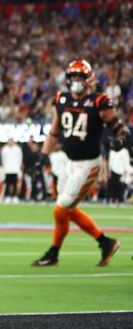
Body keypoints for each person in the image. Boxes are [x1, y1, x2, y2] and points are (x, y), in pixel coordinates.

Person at [32, 60, 124, 267]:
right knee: (64, 209)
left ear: (89, 79)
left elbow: (120, 129)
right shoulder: (61, 99)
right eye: (72, 76)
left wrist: (119, 141)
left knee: (61, 208)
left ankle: (92, 244)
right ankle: (102, 243)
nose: (75, 81)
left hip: (89, 164)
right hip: (69, 162)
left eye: (80, 77)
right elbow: (55, 131)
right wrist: (43, 155)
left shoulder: (99, 101)